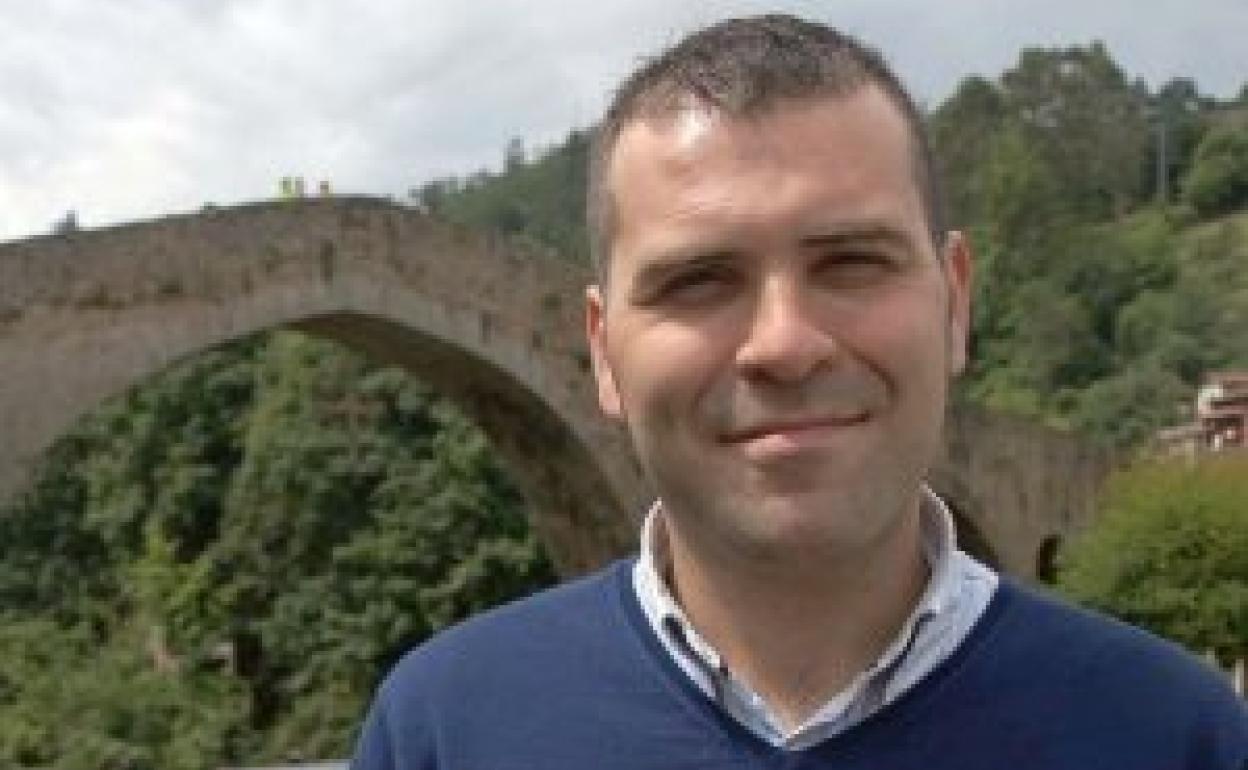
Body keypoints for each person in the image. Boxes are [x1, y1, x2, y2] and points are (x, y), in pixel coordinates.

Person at [351, 14, 1248, 769]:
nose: (783, 344)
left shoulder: (1175, 736)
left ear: (955, 303)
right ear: (603, 350)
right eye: (698, 280)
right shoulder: (446, 730)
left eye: (853, 261)